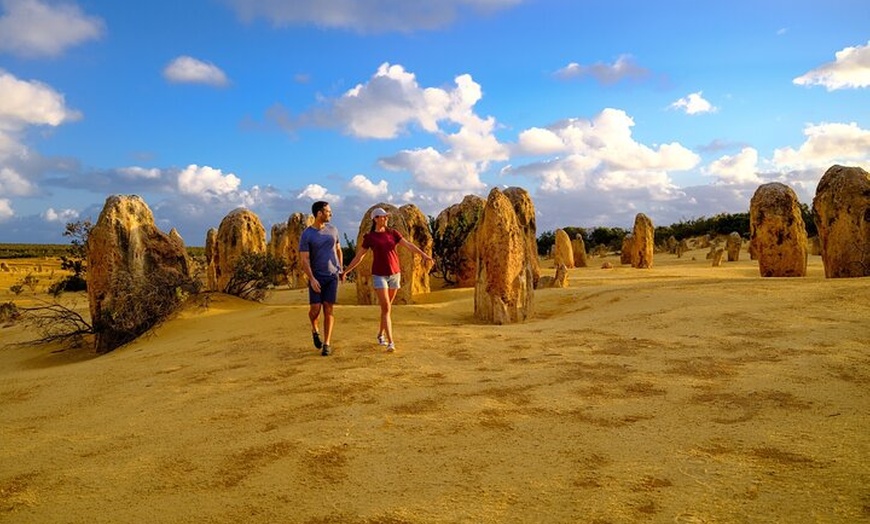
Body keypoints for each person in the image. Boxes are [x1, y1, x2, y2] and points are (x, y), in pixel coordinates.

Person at [344, 207, 433, 353]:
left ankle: (380, 334)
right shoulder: (370, 237)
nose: (385, 218)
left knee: (387, 309)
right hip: (379, 275)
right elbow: (360, 256)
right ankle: (391, 342)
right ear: (375, 219)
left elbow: (408, 245)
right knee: (386, 308)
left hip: (394, 275)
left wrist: (423, 255)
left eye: (386, 216)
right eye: (382, 216)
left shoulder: (393, 233)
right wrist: (347, 271)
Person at [299, 201, 343, 356]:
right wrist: (311, 278)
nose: (330, 214)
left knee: (328, 309)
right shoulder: (307, 234)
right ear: (319, 213)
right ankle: (314, 327)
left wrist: (340, 269)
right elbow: (304, 259)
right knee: (315, 310)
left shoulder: (333, 230)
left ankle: (327, 343)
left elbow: (338, 250)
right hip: (316, 277)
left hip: (332, 276)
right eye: (328, 211)